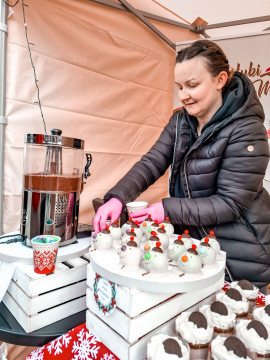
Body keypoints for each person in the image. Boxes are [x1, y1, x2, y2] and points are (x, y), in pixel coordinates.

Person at [93, 39, 270, 292]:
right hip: (194, 245)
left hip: (239, 255)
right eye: (179, 86)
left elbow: (230, 204)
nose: (183, 95)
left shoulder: (248, 130)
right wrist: (118, 198)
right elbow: (152, 163)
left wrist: (166, 209)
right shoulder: (180, 121)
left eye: (192, 85)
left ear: (220, 80)